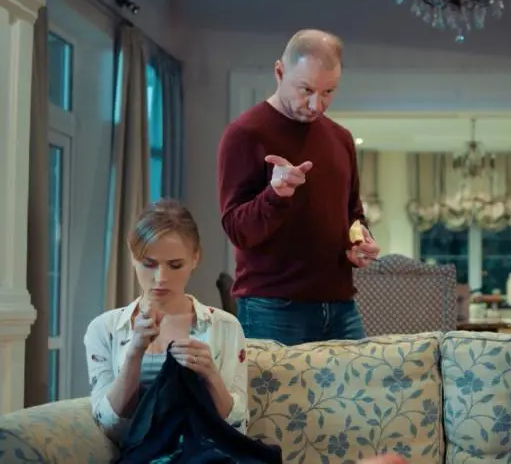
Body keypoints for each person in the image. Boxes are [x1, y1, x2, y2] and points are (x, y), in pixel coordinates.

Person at [217, 28, 379, 346]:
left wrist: (360, 240)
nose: (317, 104)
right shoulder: (245, 134)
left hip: (341, 305)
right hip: (272, 308)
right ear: (279, 72)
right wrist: (275, 195)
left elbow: (353, 214)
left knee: (366, 382)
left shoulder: (341, 139)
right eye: (306, 90)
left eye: (329, 92)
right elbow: (236, 229)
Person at [84, 199, 248, 444]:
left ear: (195, 258)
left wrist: (211, 376)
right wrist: (134, 353)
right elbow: (109, 426)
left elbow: (239, 428)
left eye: (175, 265)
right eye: (149, 264)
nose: (161, 278)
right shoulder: (105, 329)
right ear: (132, 257)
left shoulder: (225, 326)